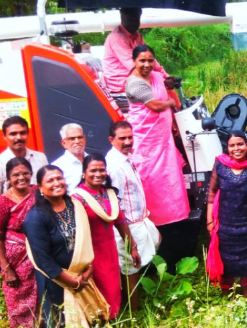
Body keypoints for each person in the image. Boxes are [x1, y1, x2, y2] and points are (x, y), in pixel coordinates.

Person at [124, 44, 193, 269]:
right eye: (142, 61)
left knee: (171, 186)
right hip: (147, 148)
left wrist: (169, 84)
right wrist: (172, 103)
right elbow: (154, 105)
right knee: (152, 187)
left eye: (150, 60)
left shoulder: (154, 75)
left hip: (163, 145)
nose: (146, 65)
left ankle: (176, 226)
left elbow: (164, 81)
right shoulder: (134, 83)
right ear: (134, 62)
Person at [24, 165, 108, 327]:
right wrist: (71, 281)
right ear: (40, 188)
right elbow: (42, 259)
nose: (56, 183)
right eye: (50, 180)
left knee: (91, 320)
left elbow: (85, 241)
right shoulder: (36, 217)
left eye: (59, 178)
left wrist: (87, 270)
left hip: (82, 277)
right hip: (56, 282)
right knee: (61, 321)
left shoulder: (75, 206)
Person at [71, 153, 141, 320]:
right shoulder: (77, 198)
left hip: (109, 250)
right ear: (83, 173)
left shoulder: (109, 193)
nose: (98, 174)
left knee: (112, 286)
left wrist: (133, 247)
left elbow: (121, 221)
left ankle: (113, 319)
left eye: (102, 170)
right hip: (89, 253)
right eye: (93, 170)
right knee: (96, 287)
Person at [205, 130, 247, 297]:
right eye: (232, 145)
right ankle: (226, 293)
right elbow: (212, 193)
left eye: (240, 144)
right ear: (227, 147)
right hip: (225, 224)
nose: (236, 148)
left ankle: (246, 294)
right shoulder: (220, 164)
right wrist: (209, 221)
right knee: (225, 259)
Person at [105, 121, 160, 311]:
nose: (128, 141)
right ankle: (133, 311)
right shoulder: (115, 166)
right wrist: (125, 232)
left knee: (150, 248)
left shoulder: (125, 158)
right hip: (127, 225)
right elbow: (116, 203)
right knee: (130, 269)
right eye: (122, 138)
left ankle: (134, 301)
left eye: (130, 137)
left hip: (139, 221)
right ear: (111, 140)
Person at [0, 157, 38, 328]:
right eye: (16, 175)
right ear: (8, 179)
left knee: (43, 298)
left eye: (25, 173)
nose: (21, 177)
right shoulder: (2, 202)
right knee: (19, 300)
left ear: (31, 174)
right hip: (16, 261)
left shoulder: (39, 193)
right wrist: (6, 268)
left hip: (40, 255)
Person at [102, 8, 169, 109]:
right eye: (130, 20)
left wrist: (166, 76)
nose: (133, 24)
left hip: (134, 78)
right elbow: (134, 68)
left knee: (167, 88)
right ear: (122, 16)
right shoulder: (117, 38)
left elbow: (150, 59)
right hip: (122, 84)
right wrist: (161, 81)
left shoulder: (137, 35)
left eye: (136, 20)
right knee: (163, 97)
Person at [0, 116, 48, 209]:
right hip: (14, 220)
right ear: (4, 136)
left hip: (42, 215)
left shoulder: (40, 158)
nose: (18, 137)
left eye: (22, 133)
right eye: (13, 134)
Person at [51, 123, 88, 193]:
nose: (77, 141)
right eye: (72, 139)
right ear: (64, 143)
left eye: (80, 137)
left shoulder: (94, 161)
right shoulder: (57, 167)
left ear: (84, 139)